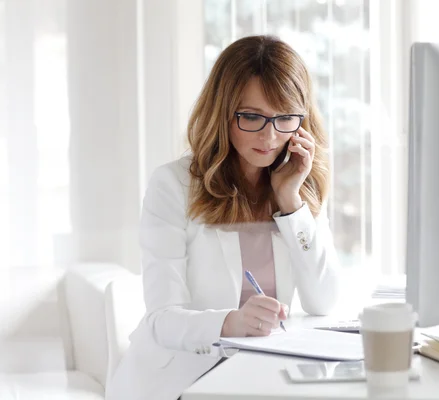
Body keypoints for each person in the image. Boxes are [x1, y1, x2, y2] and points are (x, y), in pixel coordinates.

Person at [105, 35, 341, 400]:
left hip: (264, 378)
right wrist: (232, 322)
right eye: (251, 117)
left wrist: (290, 202)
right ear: (223, 112)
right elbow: (161, 319)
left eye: (285, 119)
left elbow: (322, 300)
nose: (270, 135)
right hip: (182, 381)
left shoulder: (299, 183)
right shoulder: (173, 185)